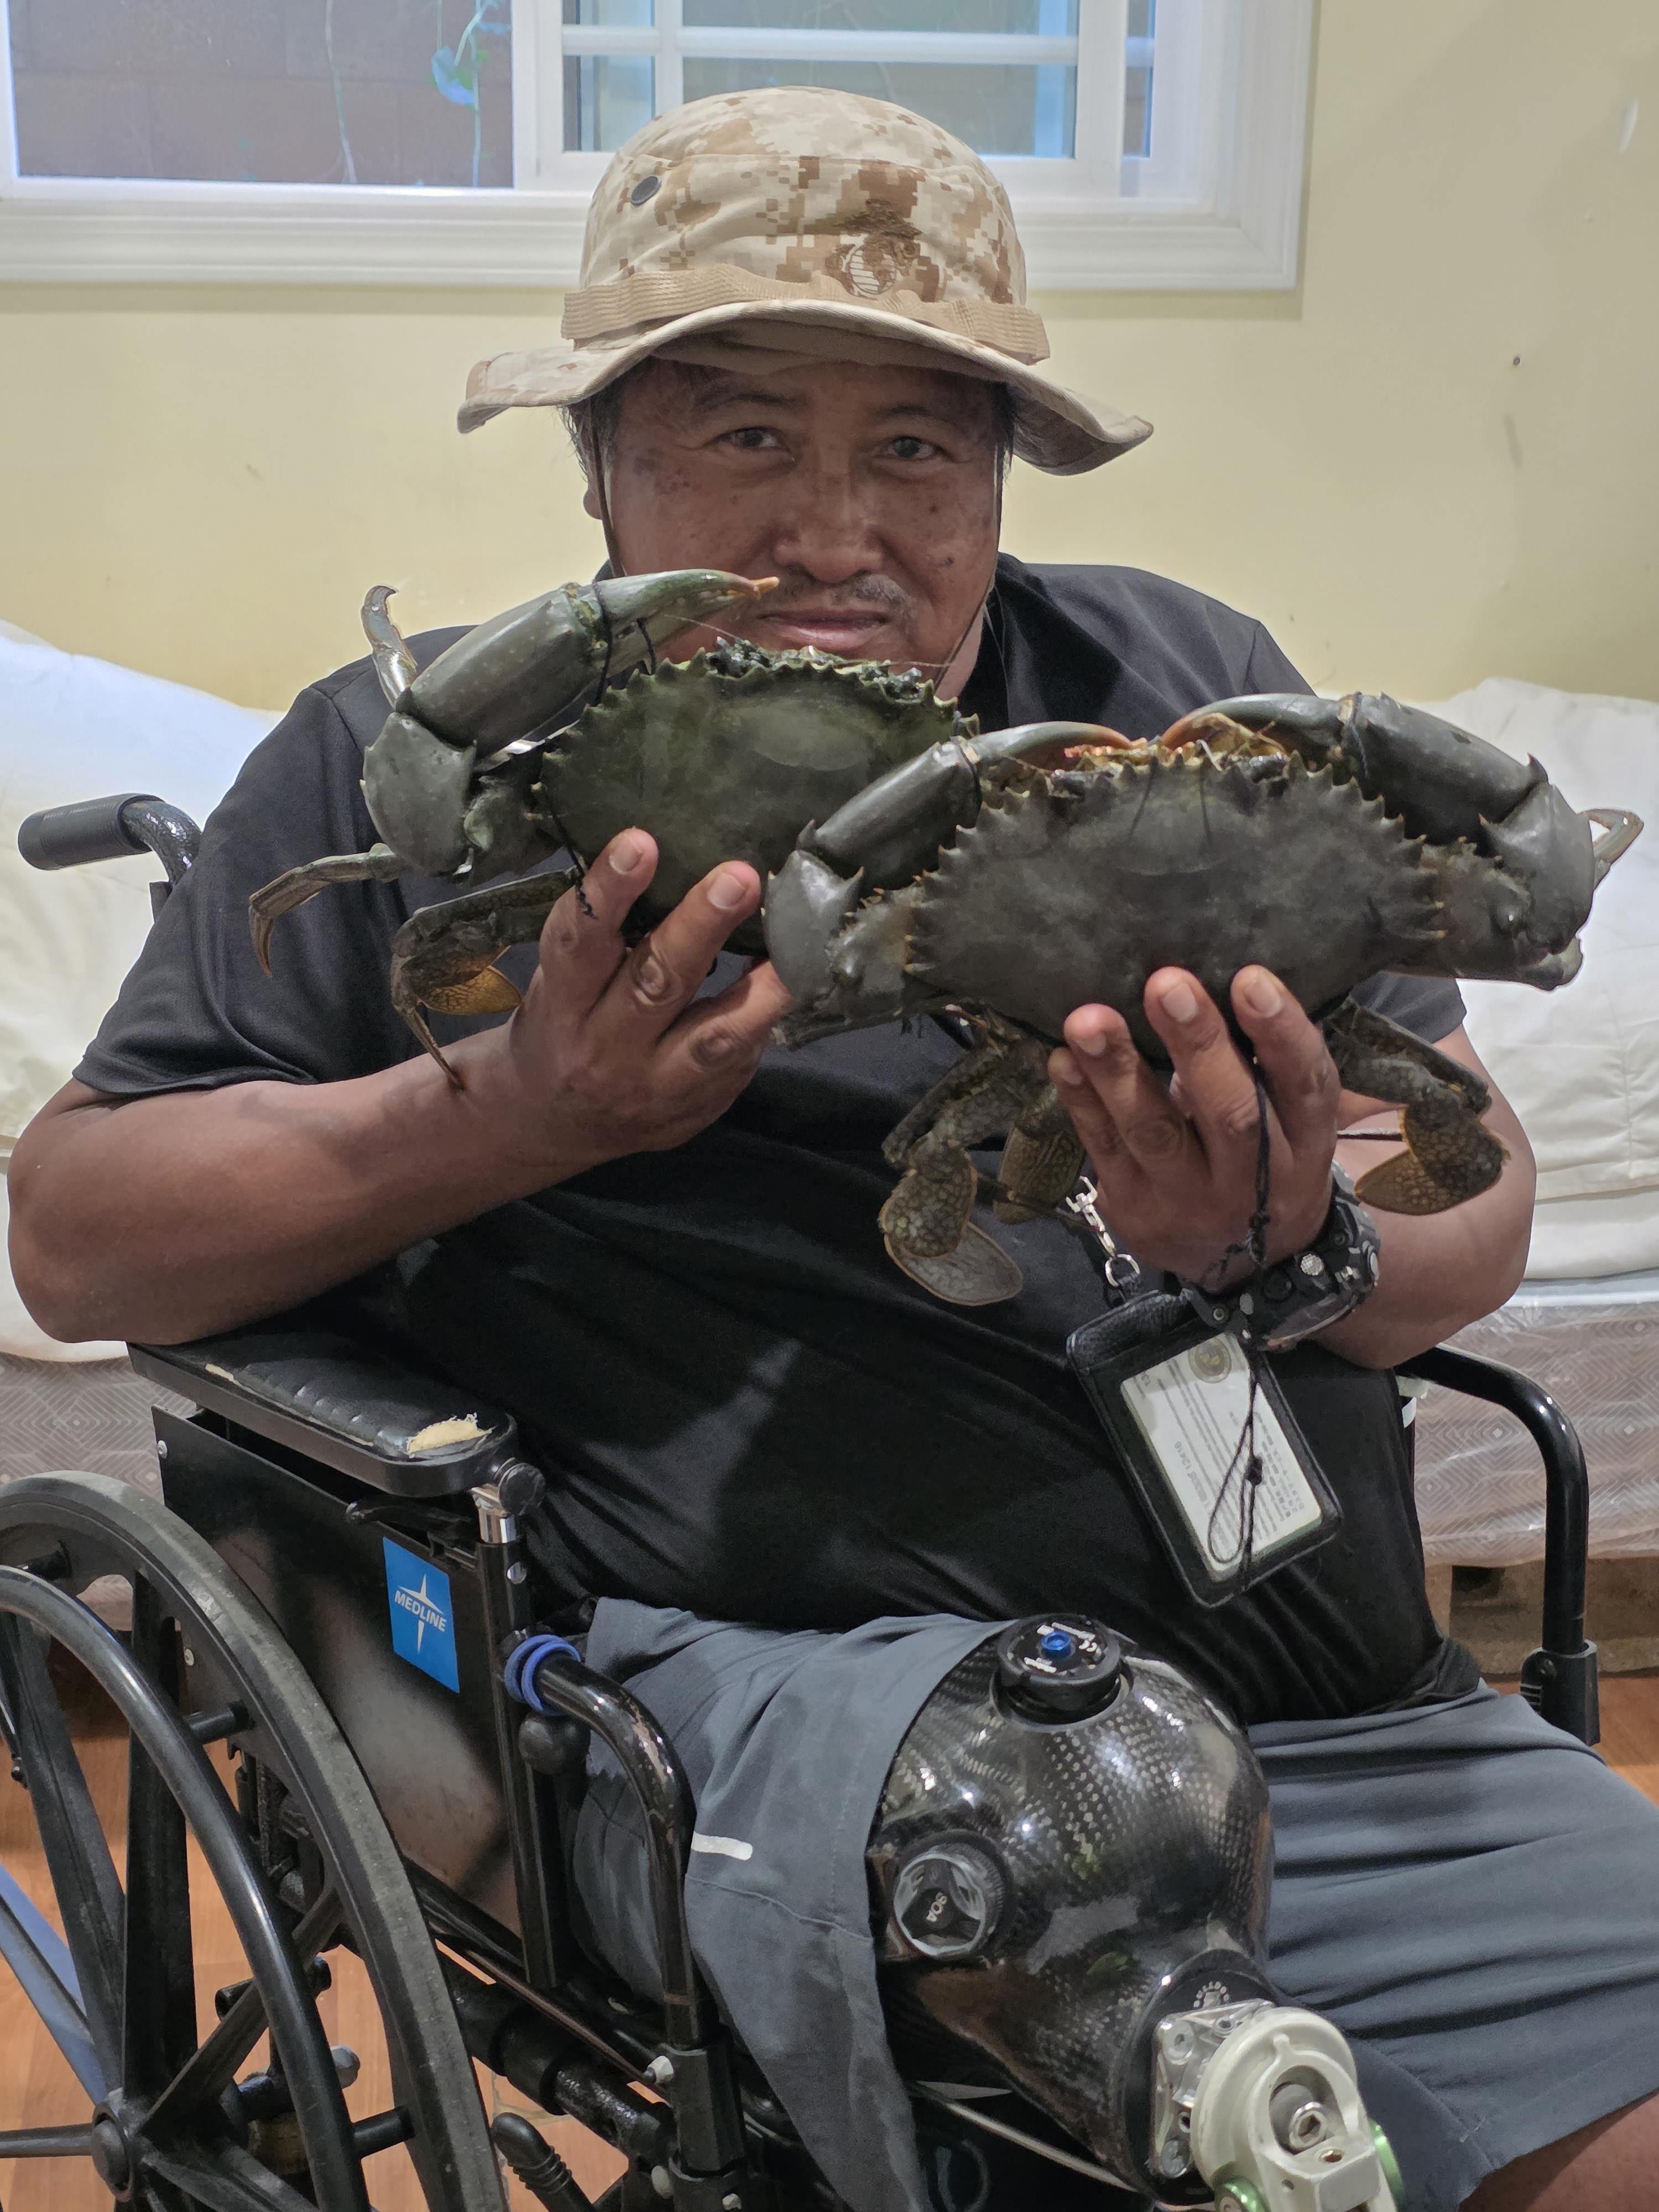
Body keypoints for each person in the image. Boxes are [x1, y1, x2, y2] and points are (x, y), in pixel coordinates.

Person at [10, 89, 1659, 2212]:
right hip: (762, 1720)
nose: (832, 529)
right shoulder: (433, 755)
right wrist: (502, 1114)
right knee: (1090, 1856)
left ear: (997, 473)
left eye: (916, 447)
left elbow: (1470, 1198)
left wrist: (1290, 1251)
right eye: (744, 437)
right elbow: (77, 1243)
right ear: (601, 466)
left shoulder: (1185, 690)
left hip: (1334, 1723)